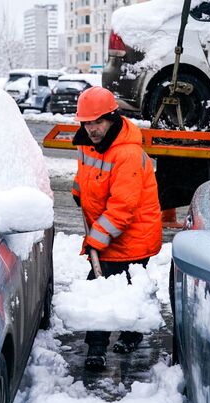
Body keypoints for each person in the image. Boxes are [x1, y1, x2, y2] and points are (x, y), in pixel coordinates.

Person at [71, 86, 162, 371]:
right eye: (87, 123)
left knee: (115, 289)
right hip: (108, 229)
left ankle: (127, 336)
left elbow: (123, 207)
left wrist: (96, 240)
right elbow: (86, 176)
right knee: (104, 287)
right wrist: (78, 193)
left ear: (113, 118)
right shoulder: (87, 142)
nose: (92, 129)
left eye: (98, 122)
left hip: (133, 235)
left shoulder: (128, 154)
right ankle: (98, 348)